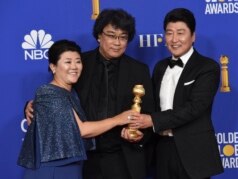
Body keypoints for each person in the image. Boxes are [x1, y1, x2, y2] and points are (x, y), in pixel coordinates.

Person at [25, 9, 155, 179]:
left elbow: (149, 113)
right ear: (99, 36)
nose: (117, 42)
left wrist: (139, 135)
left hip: (123, 158)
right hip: (84, 159)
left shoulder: (139, 70)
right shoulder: (79, 64)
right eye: (111, 35)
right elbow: (57, 92)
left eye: (123, 37)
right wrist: (31, 106)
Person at [18, 39, 139, 179]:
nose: (74, 66)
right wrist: (119, 119)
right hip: (52, 170)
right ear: (53, 67)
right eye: (68, 62)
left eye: (78, 61)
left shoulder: (71, 92)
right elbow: (82, 130)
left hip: (71, 166)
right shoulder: (48, 92)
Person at [132, 8, 224, 179]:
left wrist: (153, 120)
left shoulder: (207, 67)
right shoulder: (160, 67)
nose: (174, 39)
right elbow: (152, 105)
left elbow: (195, 107)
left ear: (193, 36)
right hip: (163, 149)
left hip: (194, 152)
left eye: (180, 33)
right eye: (169, 33)